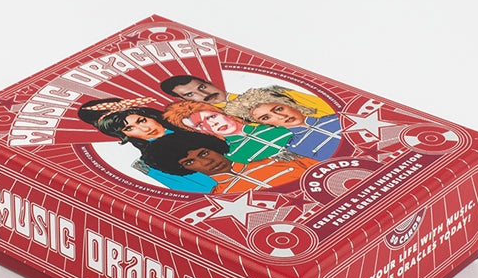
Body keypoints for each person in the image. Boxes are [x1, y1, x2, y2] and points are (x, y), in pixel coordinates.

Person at [77, 97, 215, 193]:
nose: (146, 129)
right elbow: (203, 190)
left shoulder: (196, 124)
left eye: (141, 121)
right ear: (125, 136)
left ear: (150, 116)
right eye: (129, 128)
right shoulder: (149, 163)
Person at [141, 131, 316, 195]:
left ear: (214, 147)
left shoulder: (280, 158)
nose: (207, 162)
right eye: (190, 162)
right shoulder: (220, 198)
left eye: (204, 153)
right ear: (182, 169)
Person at [161, 100, 296, 164]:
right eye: (200, 125)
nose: (212, 124)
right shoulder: (233, 155)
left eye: (211, 117)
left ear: (223, 113)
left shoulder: (274, 126)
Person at [224, 89, 342, 161]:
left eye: (279, 109)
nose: (281, 116)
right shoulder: (294, 147)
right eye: (266, 118)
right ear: (263, 124)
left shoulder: (336, 118)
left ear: (289, 104)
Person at [159, 76, 336, 118]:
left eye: (203, 87)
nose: (205, 95)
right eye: (191, 94)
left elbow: (330, 108)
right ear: (184, 101)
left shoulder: (270, 91)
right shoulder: (217, 121)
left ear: (210, 83)